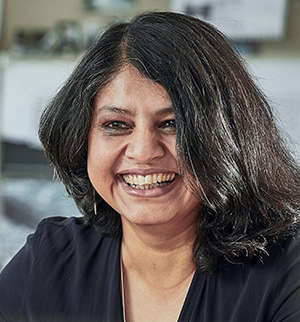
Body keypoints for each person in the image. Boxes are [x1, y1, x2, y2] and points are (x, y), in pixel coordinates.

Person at [1, 11, 300, 322]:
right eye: (116, 124)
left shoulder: (287, 272)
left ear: (228, 138)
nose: (143, 152)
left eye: (172, 124)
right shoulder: (49, 260)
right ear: (81, 139)